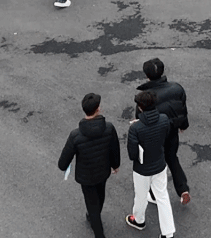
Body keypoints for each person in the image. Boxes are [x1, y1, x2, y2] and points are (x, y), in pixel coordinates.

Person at [60, 92, 122, 238]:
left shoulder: (75, 135)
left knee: (91, 203)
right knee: (100, 196)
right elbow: (115, 149)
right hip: (103, 172)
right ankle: (94, 216)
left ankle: (98, 229)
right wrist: (115, 165)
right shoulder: (109, 128)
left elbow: (62, 163)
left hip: (86, 177)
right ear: (98, 109)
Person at [136, 59, 190, 206]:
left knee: (155, 163)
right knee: (172, 158)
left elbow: (140, 118)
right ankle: (183, 189)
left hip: (154, 135)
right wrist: (183, 125)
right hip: (172, 131)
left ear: (147, 75)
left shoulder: (146, 96)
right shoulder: (177, 88)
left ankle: (154, 194)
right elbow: (182, 109)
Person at [125, 88, 176, 237]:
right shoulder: (164, 119)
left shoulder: (135, 128)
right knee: (162, 196)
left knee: (140, 196)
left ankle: (139, 220)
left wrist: (137, 126)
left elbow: (132, 154)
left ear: (140, 107)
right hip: (160, 164)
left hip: (142, 170)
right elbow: (164, 134)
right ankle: (168, 233)